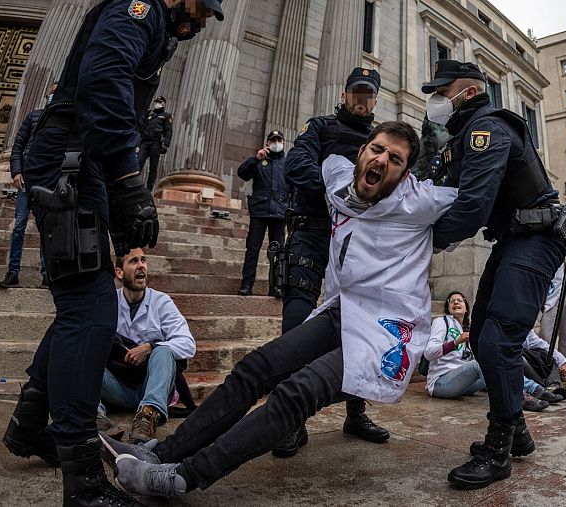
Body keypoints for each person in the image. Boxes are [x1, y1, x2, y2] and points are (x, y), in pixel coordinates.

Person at [99, 121, 457, 499]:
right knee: (255, 368)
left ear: (404, 175)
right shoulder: (336, 175)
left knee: (296, 392)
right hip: (343, 311)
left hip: (386, 330)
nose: (382, 160)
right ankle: (162, 454)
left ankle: (183, 477)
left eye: (395, 159)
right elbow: (306, 159)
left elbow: (475, 197)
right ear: (362, 151)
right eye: (377, 149)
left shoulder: (421, 202)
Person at [1, 2, 222, 506]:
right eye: (204, 7)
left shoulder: (154, 23)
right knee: (91, 313)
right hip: (70, 163)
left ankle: (28, 424)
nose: (205, 20)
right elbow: (103, 80)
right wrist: (129, 179)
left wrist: (121, 195)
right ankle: (82, 485)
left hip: (85, 164)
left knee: (81, 307)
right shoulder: (137, 9)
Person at [421, 60, 566, 490]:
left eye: (439, 92)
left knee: (499, 338)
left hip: (538, 238)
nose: (434, 102)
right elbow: (438, 186)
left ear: (466, 92)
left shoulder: (489, 128)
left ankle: (499, 447)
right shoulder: (463, 135)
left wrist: (421, 244)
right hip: (514, 238)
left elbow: (471, 206)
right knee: (484, 330)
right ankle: (518, 432)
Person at [277, 67, 388, 456]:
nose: (362, 99)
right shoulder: (321, 127)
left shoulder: (380, 143)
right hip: (313, 232)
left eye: (368, 94)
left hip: (358, 242)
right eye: (356, 92)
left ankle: (355, 412)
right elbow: (296, 166)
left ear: (376, 99)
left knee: (358, 325)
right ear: (344, 95)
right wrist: (336, 196)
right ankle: (290, 420)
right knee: (295, 322)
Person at [97, 248, 196, 444]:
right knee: (87, 355)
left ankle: (147, 416)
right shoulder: (108, 302)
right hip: (118, 387)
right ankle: (96, 417)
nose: (141, 265)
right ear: (119, 272)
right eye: (133, 261)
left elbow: (188, 344)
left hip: (154, 386)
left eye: (143, 260)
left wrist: (150, 347)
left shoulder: (161, 302)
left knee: (164, 351)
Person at [423, 291, 563, 406]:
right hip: (441, 383)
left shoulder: (471, 328)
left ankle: (533, 390)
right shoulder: (441, 322)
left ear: (466, 308)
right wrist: (455, 342)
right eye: (451, 301)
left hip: (464, 384)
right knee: (479, 364)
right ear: (448, 308)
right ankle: (519, 397)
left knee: (496, 361)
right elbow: (429, 353)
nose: (456, 302)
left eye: (460, 300)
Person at [0, 82, 56, 290]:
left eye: (58, 93)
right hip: (27, 180)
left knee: (45, 228)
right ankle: (13, 272)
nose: (54, 96)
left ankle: (47, 273)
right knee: (19, 226)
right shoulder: (33, 116)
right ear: (46, 95)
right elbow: (18, 145)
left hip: (47, 181)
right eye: (52, 93)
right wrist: (16, 171)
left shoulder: (61, 122)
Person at [237, 130, 288, 297]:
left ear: (283, 142)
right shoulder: (259, 161)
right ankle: (246, 284)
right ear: (267, 143)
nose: (276, 143)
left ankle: (275, 286)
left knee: (277, 252)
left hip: (280, 213)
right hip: (260, 210)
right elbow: (242, 174)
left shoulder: (287, 163)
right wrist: (255, 159)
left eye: (279, 140)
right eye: (273, 140)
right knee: (253, 248)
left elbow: (294, 188)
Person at [137, 95, 173, 190]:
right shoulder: (149, 114)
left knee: (153, 166)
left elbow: (168, 131)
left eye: (159, 102)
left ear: (164, 104)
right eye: (156, 102)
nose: (157, 104)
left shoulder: (166, 116)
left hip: (155, 143)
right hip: (145, 142)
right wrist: (138, 143)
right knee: (138, 162)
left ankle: (149, 188)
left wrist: (166, 145)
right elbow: (142, 128)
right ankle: (136, 184)